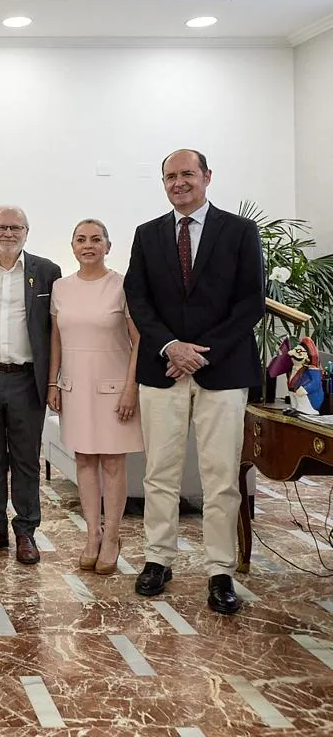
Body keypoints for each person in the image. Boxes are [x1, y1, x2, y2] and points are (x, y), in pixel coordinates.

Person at [124, 149, 264, 614]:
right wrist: (171, 347)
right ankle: (158, 559)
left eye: (187, 174)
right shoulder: (147, 235)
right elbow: (138, 299)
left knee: (221, 477)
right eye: (170, 176)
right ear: (163, 183)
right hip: (162, 370)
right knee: (159, 472)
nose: (179, 182)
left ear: (206, 176)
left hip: (221, 372)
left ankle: (219, 570)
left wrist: (199, 354)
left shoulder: (240, 231)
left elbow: (250, 303)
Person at [0, 206, 61, 565]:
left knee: (25, 460)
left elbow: (56, 331)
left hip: (26, 380)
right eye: (1, 227)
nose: (8, 232)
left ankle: (26, 532)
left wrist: (55, 381)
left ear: (27, 231)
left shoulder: (47, 272)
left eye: (15, 227)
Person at [48, 219, 142, 575]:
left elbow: (139, 341)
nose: (88, 245)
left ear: (108, 245)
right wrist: (52, 383)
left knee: (114, 463)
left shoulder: (122, 286)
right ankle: (92, 534)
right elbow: (55, 339)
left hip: (115, 388)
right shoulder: (60, 287)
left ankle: (114, 537)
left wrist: (132, 387)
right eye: (81, 239)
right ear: (72, 246)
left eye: (96, 239)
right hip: (75, 386)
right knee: (85, 460)